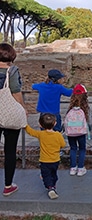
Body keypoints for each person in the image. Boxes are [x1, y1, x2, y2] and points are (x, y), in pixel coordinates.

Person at [0, 43, 27, 196]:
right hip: (9, 112)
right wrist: (23, 107)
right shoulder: (12, 70)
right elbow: (16, 91)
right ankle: (8, 185)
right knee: (10, 151)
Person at [25, 113, 66, 200]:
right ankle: (53, 185)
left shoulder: (41, 134)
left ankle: (50, 187)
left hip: (44, 160)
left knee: (46, 174)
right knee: (53, 173)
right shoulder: (58, 135)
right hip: (55, 159)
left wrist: (25, 124)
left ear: (40, 124)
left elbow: (31, 132)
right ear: (55, 123)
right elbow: (63, 144)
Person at [65, 84, 92, 176]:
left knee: (73, 148)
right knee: (82, 149)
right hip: (81, 132)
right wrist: (89, 129)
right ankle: (80, 168)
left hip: (71, 133)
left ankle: (73, 168)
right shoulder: (86, 108)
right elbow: (90, 123)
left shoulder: (70, 108)